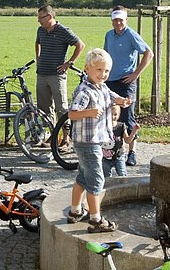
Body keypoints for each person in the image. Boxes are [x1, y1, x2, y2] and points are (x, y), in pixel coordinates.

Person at [66, 48, 132, 233]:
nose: (103, 74)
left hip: (94, 140)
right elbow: (71, 113)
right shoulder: (83, 91)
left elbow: (111, 97)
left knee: (82, 176)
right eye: (99, 70)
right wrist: (89, 112)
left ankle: (75, 211)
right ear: (87, 69)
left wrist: (121, 101)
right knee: (96, 179)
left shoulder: (102, 87)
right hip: (87, 142)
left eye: (106, 71)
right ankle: (95, 220)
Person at [103, 5, 153, 166]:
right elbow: (105, 56)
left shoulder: (131, 35)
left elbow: (148, 53)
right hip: (109, 81)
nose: (118, 23)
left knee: (127, 116)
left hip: (126, 82)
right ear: (112, 20)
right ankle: (113, 150)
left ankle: (132, 152)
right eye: (115, 20)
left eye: (121, 20)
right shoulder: (109, 35)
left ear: (126, 20)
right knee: (110, 115)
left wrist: (135, 74)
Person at [35, 5, 85, 126]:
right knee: (44, 108)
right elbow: (37, 43)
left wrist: (69, 63)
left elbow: (80, 45)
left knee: (61, 108)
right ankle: (51, 135)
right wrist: (38, 58)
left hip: (57, 75)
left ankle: (65, 137)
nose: (39, 20)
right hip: (41, 73)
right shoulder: (41, 30)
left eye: (41, 17)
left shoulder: (63, 31)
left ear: (50, 16)